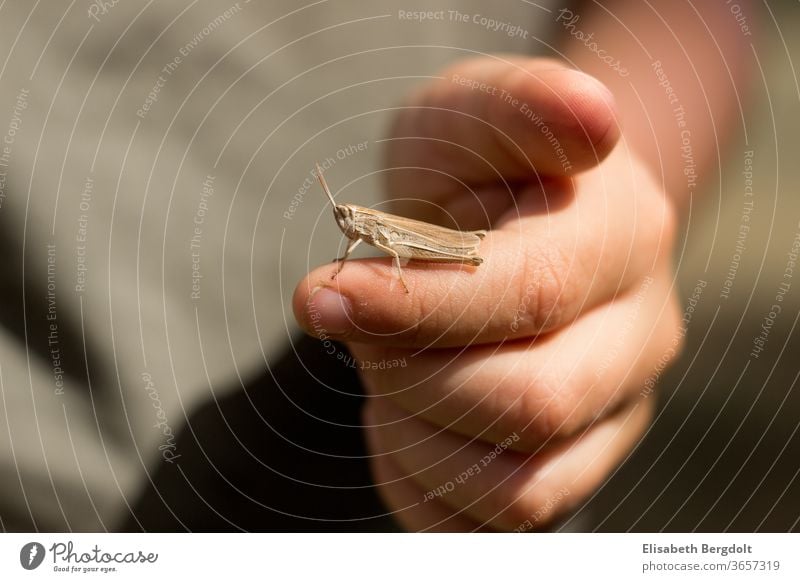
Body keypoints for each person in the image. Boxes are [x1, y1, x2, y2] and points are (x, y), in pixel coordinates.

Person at [0, 2, 752, 531]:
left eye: (343, 220)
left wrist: (578, 218)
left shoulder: (375, 231)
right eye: (340, 223)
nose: (342, 226)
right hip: (59, 500)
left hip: (462, 488)